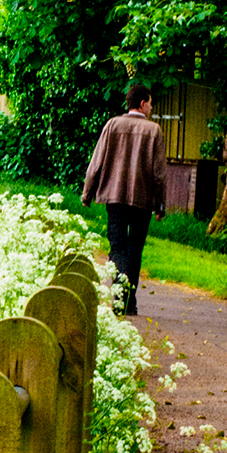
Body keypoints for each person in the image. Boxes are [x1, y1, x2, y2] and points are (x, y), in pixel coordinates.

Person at [81, 83, 168, 316]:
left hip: (115, 198)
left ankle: (119, 298)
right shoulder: (154, 131)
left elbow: (95, 163)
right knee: (135, 249)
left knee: (118, 246)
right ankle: (128, 301)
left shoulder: (112, 125)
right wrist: (160, 205)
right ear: (142, 103)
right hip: (142, 201)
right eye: (150, 103)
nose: (151, 108)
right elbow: (159, 174)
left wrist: (87, 194)